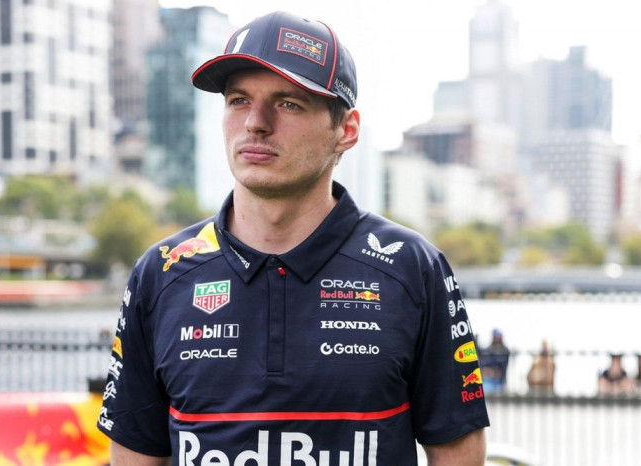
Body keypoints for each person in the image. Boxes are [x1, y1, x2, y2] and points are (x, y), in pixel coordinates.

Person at [97, 11, 489, 465]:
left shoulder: (412, 267)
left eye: (288, 103)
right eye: (239, 100)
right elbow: (135, 454)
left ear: (345, 131)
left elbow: (458, 452)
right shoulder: (161, 272)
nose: (255, 123)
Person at [480, 329, 510, 394]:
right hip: (488, 381)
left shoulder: (505, 351)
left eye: (499, 336)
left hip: (500, 381)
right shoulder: (487, 350)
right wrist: (490, 372)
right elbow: (483, 367)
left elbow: (503, 369)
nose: (497, 338)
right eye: (496, 336)